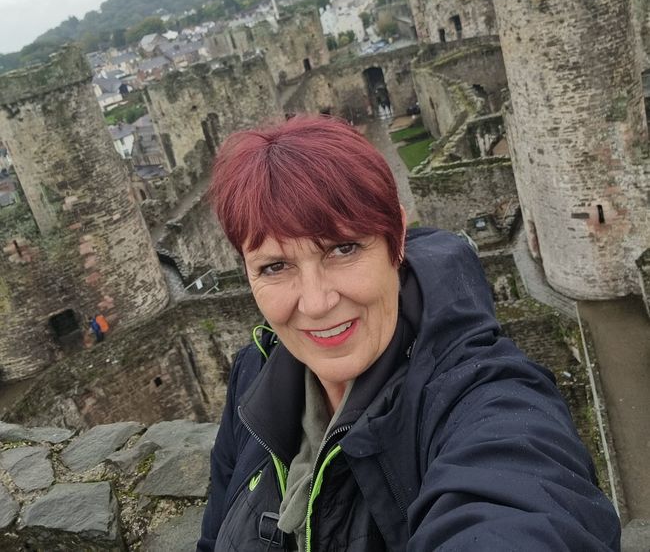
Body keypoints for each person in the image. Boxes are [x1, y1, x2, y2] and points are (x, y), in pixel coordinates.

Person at [197, 114, 620, 551]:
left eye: (343, 248)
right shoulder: (254, 374)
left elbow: (520, 500)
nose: (316, 302)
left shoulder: (480, 395)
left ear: (396, 238)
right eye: (275, 266)